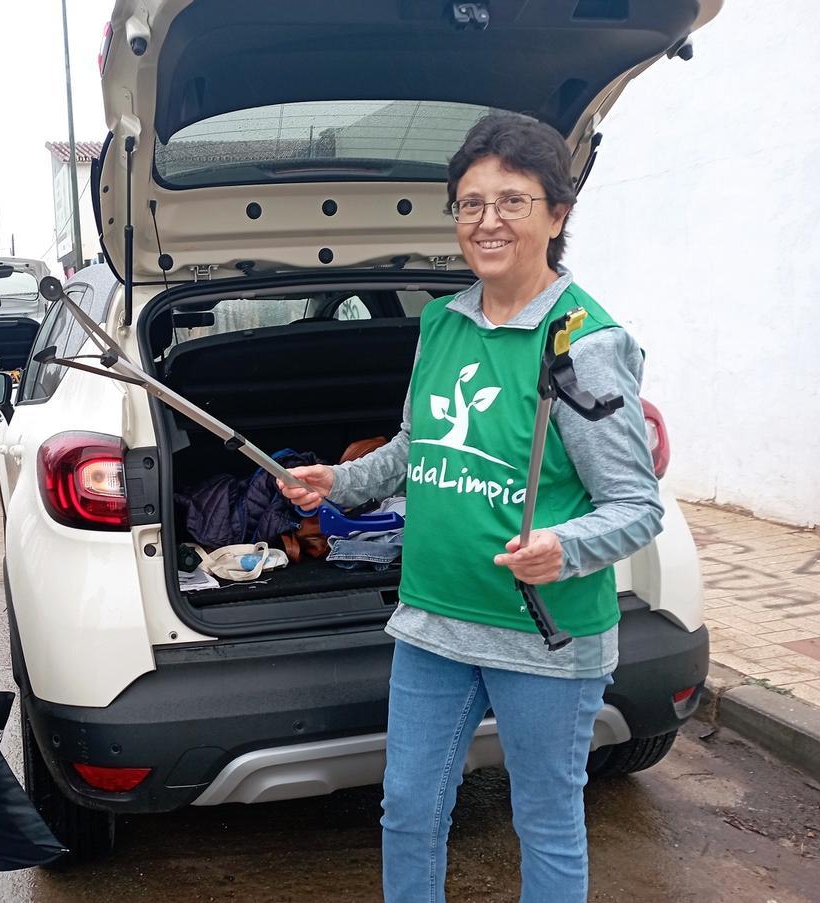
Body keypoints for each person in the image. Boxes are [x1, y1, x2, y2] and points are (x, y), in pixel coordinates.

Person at [279, 111, 664, 903]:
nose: (488, 221)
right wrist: (339, 482)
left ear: (557, 215)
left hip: (543, 636)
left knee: (547, 821)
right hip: (433, 621)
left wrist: (565, 545)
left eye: (513, 201)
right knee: (408, 809)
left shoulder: (584, 342)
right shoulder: (441, 323)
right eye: (470, 202)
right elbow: (417, 448)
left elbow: (636, 505)